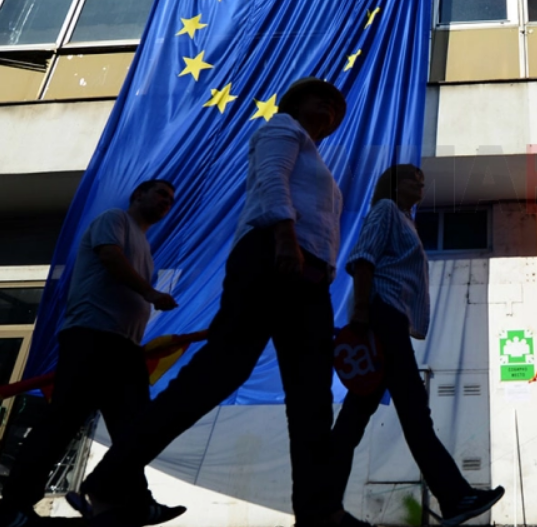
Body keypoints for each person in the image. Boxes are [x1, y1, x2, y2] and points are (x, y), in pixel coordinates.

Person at [74, 78, 347, 527]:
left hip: (309, 275)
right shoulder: (283, 129)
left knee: (311, 394)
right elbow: (271, 180)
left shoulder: (319, 161)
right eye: (321, 100)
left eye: (336, 107)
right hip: (272, 256)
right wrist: (283, 238)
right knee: (217, 374)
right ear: (295, 104)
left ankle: (319, 510)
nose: (330, 110)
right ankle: (109, 478)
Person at [326, 164, 505, 527]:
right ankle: (455, 496)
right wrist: (361, 313)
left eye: (423, 181)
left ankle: (321, 503)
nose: (420, 185)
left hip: (392, 320)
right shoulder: (386, 210)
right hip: (381, 317)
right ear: (393, 184)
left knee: (354, 420)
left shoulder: (407, 221)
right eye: (412, 179)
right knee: (413, 411)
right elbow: (363, 260)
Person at [0, 180, 183, 527]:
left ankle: (130, 502)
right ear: (137, 195)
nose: (166, 201)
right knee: (63, 422)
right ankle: (14, 505)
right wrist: (150, 293)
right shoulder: (113, 220)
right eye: (160, 193)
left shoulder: (144, 245)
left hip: (122, 347)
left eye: (171, 199)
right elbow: (110, 257)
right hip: (91, 338)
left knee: (134, 429)